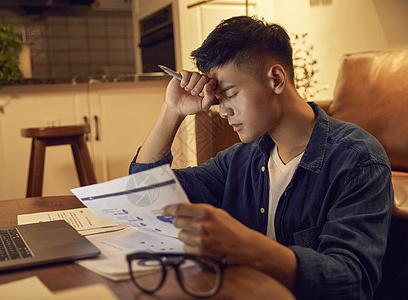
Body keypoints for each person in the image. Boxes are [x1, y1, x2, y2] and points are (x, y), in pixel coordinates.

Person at [129, 16, 393, 299]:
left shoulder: (358, 160)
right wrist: (172, 111)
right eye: (218, 99)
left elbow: (352, 282)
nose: (222, 110)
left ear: (276, 79)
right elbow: (144, 195)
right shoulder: (241, 159)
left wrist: (246, 245)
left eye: (229, 93)